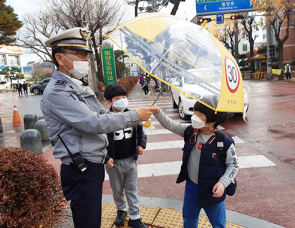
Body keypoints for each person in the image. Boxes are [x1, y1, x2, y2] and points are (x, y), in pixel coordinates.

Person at [41, 27, 153, 228]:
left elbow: (102, 115)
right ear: (59, 58)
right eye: (79, 54)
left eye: (86, 55)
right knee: (88, 221)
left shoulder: (77, 85)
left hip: (91, 164)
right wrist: (134, 116)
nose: (85, 60)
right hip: (80, 167)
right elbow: (93, 123)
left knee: (92, 218)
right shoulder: (58, 92)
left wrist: (130, 115)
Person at [149, 96, 239, 228]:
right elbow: (172, 125)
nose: (194, 116)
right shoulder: (191, 132)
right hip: (192, 188)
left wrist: (222, 183)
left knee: (218, 224)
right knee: (189, 219)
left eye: (199, 114)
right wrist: (157, 112)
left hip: (213, 191)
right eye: (195, 112)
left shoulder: (224, 142)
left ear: (212, 121)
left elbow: (234, 165)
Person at [104, 83, 147, 228]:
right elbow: (100, 141)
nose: (122, 100)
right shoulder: (104, 119)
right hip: (113, 162)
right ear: (109, 102)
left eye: (124, 97)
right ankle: (121, 210)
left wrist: (141, 145)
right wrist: (106, 157)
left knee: (132, 188)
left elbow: (141, 132)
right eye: (117, 98)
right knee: (117, 189)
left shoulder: (134, 115)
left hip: (131, 160)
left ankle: (135, 215)